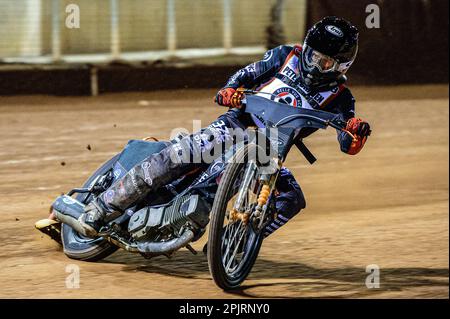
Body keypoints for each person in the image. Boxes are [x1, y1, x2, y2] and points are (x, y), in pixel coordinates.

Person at [75, 16, 371, 238]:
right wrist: (230, 91)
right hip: (234, 126)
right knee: (179, 155)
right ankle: (102, 207)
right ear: (304, 48)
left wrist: (356, 133)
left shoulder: (341, 99)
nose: (314, 65)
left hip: (269, 153)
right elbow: (245, 74)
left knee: (292, 197)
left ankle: (236, 240)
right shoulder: (284, 56)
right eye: (312, 56)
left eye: (325, 62)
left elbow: (348, 144)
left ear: (342, 66)